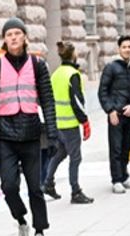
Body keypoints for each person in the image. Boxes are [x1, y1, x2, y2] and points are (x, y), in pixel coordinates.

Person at [0, 17, 59, 236]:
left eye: (18, 33)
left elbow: (47, 99)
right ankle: (21, 221)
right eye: (9, 34)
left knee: (35, 187)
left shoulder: (37, 65)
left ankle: (39, 231)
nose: (14, 37)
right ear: (4, 40)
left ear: (25, 37)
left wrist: (53, 134)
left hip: (30, 133)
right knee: (8, 186)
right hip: (6, 135)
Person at [43, 41, 94, 204]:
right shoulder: (73, 74)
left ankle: (48, 183)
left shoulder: (56, 73)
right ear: (73, 55)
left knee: (60, 153)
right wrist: (84, 121)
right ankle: (75, 191)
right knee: (75, 158)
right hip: (70, 124)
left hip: (58, 123)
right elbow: (77, 101)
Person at [99, 35, 130, 194]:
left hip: (129, 113)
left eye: (129, 46)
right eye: (124, 47)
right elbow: (102, 92)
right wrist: (110, 110)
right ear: (119, 49)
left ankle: (125, 176)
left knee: (127, 147)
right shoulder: (111, 67)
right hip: (115, 115)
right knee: (116, 148)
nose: (127, 49)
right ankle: (116, 180)